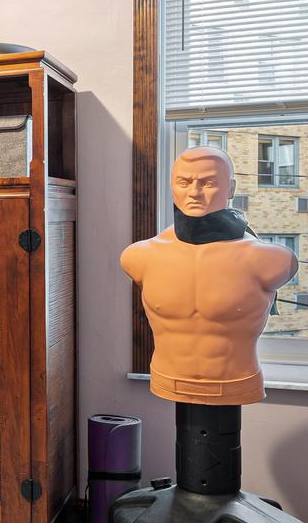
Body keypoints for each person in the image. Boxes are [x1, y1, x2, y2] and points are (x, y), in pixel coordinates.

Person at [120, 147, 298, 406]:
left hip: (237, 382)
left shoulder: (271, 259)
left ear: (231, 188)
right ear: (172, 187)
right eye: (184, 182)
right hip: (167, 379)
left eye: (209, 182)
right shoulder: (139, 256)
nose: (194, 192)